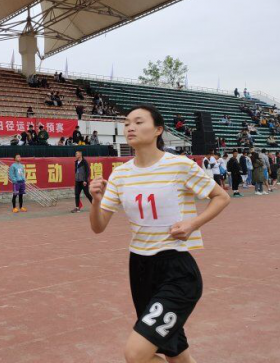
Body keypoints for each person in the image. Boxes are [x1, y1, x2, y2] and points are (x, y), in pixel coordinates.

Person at [88, 104, 229, 363]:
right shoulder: (120, 175)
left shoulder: (179, 165)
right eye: (127, 123)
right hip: (140, 269)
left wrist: (192, 224)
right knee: (176, 355)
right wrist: (96, 201)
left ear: (158, 130)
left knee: (136, 354)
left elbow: (221, 197)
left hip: (176, 270)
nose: (130, 127)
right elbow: (98, 227)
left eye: (139, 122)